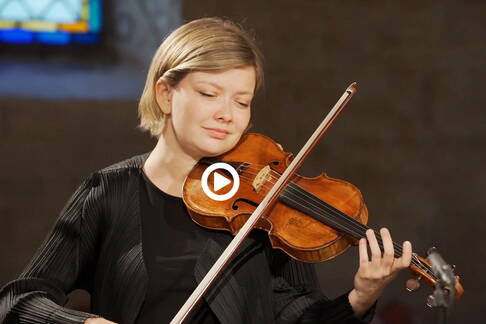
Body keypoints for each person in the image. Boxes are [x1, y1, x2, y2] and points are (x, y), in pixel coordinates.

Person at [0, 17, 412, 324]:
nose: (227, 115)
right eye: (208, 93)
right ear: (165, 94)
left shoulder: (267, 208)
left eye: (241, 100)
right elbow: (17, 301)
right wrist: (85, 323)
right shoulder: (108, 192)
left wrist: (360, 297)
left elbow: (303, 317)